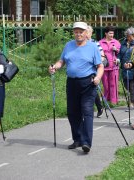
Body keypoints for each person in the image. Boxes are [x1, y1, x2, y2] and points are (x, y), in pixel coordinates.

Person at [49, 22, 104, 153]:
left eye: (81, 31)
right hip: (72, 83)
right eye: (76, 32)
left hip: (88, 83)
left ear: (86, 33)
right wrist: (55, 67)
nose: (78, 34)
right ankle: (77, 139)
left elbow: (100, 66)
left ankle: (86, 143)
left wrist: (98, 77)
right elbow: (62, 61)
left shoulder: (93, 47)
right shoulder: (68, 45)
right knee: (73, 112)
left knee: (87, 111)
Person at [118, 27, 134, 108]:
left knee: (132, 86)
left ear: (133, 35)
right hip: (124, 68)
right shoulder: (123, 43)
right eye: (126, 35)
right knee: (126, 84)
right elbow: (120, 53)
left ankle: (132, 102)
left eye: (128, 36)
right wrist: (118, 59)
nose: (127, 37)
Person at [86, 25, 105, 117]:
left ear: (91, 33)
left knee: (93, 88)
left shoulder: (95, 43)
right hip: (84, 70)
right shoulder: (80, 44)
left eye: (88, 32)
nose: (86, 34)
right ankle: (98, 107)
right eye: (85, 32)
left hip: (94, 69)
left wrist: (96, 62)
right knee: (91, 89)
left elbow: (102, 56)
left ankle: (98, 107)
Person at [99, 26, 121, 104]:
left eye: (113, 33)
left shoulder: (116, 42)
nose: (112, 35)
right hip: (104, 67)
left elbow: (120, 54)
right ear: (106, 33)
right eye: (110, 33)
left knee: (113, 84)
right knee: (105, 85)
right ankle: (106, 101)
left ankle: (114, 101)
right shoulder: (100, 42)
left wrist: (116, 50)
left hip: (114, 66)